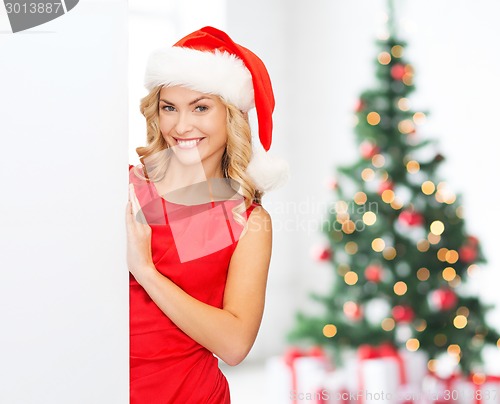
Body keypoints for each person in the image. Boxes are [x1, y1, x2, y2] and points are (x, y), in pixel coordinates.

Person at [125, 26, 288, 403]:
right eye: (170, 107)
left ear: (231, 116)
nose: (181, 127)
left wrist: (145, 271)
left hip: (191, 394)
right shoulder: (128, 187)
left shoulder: (246, 219)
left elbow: (234, 344)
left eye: (200, 107)